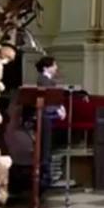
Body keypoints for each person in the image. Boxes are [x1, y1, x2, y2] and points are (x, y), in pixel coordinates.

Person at [33, 56, 66, 189]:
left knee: (48, 146)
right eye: (54, 65)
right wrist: (58, 110)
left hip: (48, 117)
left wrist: (60, 108)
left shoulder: (47, 80)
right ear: (46, 67)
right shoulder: (43, 80)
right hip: (45, 117)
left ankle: (47, 176)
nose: (56, 67)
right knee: (45, 147)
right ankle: (44, 178)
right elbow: (46, 101)